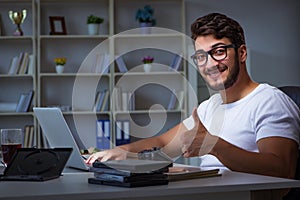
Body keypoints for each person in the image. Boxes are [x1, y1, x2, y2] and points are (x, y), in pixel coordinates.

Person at [86, 13, 300, 180]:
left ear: (242, 53)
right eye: (200, 56)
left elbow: (282, 170)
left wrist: (214, 145)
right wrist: (122, 152)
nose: (210, 64)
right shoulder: (209, 106)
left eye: (219, 51)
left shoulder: (270, 101)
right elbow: (163, 142)